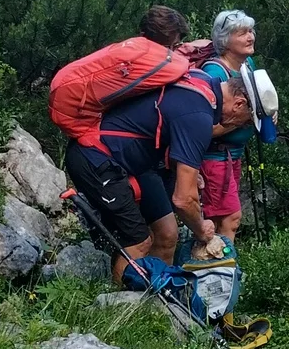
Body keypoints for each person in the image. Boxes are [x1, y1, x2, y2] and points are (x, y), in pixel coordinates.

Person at [64, 68, 277, 283]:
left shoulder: (199, 82)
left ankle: (155, 298)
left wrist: (184, 172)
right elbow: (184, 200)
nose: (241, 125)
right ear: (239, 104)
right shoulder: (200, 117)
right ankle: (121, 307)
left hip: (130, 161)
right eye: (248, 121)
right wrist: (201, 229)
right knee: (139, 242)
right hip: (96, 157)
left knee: (167, 233)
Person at [199, 9, 260, 244]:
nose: (250, 36)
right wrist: (246, 119)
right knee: (229, 218)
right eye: (242, 32)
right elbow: (205, 128)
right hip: (215, 157)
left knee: (217, 218)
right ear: (225, 40)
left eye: (251, 31)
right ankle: (221, 271)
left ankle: (216, 269)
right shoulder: (214, 73)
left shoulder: (248, 65)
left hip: (232, 156)